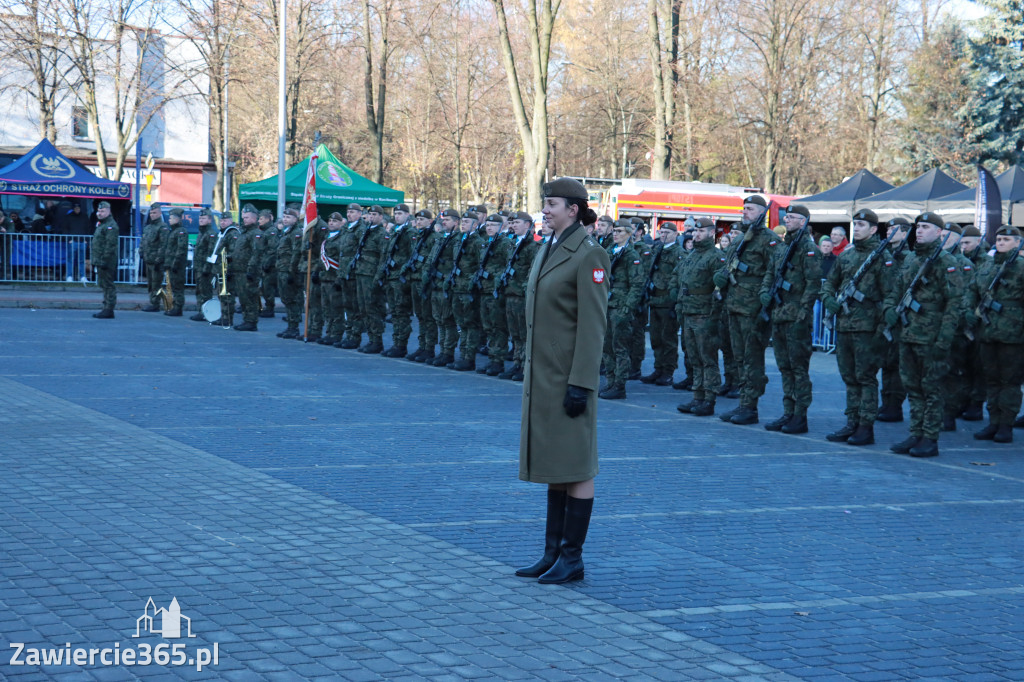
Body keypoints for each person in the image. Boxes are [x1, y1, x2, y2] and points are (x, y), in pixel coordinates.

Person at [517, 177, 609, 585]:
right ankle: (552, 552)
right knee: (557, 463)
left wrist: (582, 383)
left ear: (573, 209)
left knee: (578, 466)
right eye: (545, 203)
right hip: (544, 377)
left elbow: (594, 326)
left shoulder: (589, 255)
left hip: (570, 378)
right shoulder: (549, 247)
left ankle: (572, 558)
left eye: (551, 203)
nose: (546, 210)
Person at [882, 212, 959, 457]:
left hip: (931, 336)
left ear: (939, 232)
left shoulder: (946, 261)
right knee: (913, 388)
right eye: (918, 227)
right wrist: (888, 309)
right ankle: (915, 433)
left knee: (931, 389)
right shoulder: (913, 260)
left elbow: (954, 304)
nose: (920, 231)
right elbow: (897, 290)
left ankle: (929, 438)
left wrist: (943, 340)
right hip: (908, 334)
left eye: (926, 227)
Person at [820, 209, 894, 445]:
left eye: (862, 224)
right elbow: (829, 284)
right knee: (849, 377)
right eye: (856, 224)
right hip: (845, 324)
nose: (858, 228)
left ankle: (865, 426)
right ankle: (852, 421)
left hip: (868, 327)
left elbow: (890, 295)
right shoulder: (846, 256)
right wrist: (828, 299)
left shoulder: (883, 257)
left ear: (873, 229)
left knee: (865, 378)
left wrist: (881, 330)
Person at [713, 196, 781, 425]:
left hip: (753, 309)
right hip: (734, 306)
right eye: (744, 208)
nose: (745, 212)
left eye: (750, 209)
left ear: (762, 212)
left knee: (752, 359)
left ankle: (751, 407)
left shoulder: (770, 241)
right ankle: (743, 402)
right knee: (740, 358)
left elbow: (773, 275)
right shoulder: (741, 239)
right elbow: (728, 264)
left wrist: (765, 304)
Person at [965, 226, 1023, 443]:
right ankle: (994, 422)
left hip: (1013, 335)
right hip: (987, 332)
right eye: (999, 239)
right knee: (991, 380)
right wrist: (970, 312)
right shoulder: (988, 265)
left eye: (1006, 239)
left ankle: (1006, 425)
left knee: (1009, 381)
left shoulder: (1021, 267)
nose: (1001, 243)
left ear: (1017, 243)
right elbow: (972, 290)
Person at [675, 217, 727, 416]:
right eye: (695, 232)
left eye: (701, 232)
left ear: (711, 233)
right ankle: (697, 396)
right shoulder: (693, 254)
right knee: (694, 358)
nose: (696, 235)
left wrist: (714, 316)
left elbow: (720, 288)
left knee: (708, 358)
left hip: (705, 314)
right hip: (688, 312)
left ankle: (709, 399)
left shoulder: (716, 256)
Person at [600, 219, 643, 400]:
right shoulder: (609, 252)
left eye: (619, 231)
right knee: (606, 347)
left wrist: (627, 308)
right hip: (606, 305)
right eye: (614, 231)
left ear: (628, 233)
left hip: (620, 307)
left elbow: (637, 285)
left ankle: (619, 384)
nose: (615, 234)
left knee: (620, 348)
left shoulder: (631, 256)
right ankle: (610, 381)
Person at [640, 221, 683, 386]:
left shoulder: (678, 252)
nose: (663, 235)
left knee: (668, 339)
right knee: (656, 338)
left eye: (667, 232)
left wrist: (675, 300)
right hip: (655, 299)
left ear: (675, 234)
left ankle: (668, 371)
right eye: (661, 232)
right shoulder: (657, 250)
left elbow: (679, 276)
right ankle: (658, 369)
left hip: (668, 301)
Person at [499, 211, 541, 381]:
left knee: (524, 333)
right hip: (510, 293)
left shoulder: (533, 246)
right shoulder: (512, 244)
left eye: (517, 222)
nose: (513, 225)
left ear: (528, 225)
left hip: (522, 295)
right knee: (514, 333)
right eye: (512, 222)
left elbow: (533, 272)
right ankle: (517, 363)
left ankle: (525, 366)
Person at [877, 217, 912, 421]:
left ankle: (895, 405)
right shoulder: (885, 254)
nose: (889, 231)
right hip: (883, 313)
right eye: (888, 228)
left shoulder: (908, 257)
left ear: (905, 232)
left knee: (897, 363)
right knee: (886, 362)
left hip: (899, 316)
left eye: (894, 228)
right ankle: (887, 402)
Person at [958, 226, 991, 421]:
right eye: (961, 243)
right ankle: (964, 401)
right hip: (964, 318)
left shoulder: (987, 263)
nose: (964, 247)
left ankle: (976, 403)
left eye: (967, 243)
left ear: (978, 242)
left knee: (978, 366)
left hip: (980, 321)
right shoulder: (961, 260)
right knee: (964, 364)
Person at [446, 211, 485, 370]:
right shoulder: (459, 240)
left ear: (475, 225)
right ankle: (462, 356)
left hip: (468, 289)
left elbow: (481, 265)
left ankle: (469, 358)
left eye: (467, 222)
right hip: (457, 287)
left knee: (470, 324)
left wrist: (471, 282)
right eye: (462, 221)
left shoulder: (477, 242)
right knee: (461, 324)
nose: (463, 224)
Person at [378, 204, 416, 357]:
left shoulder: (410, 232)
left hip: (400, 279)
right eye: (396, 213)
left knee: (401, 313)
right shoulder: (395, 231)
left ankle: (401, 345)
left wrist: (405, 277)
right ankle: (396, 343)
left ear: (408, 215)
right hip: (391, 277)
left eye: (401, 213)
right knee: (394, 313)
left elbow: (412, 256)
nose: (397, 216)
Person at [477, 214, 513, 375]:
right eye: (487, 224)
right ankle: (492, 358)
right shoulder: (487, 243)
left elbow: (508, 265)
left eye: (493, 225)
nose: (489, 227)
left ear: (501, 226)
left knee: (498, 327)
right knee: (488, 327)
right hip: (484, 290)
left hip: (496, 291)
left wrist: (495, 277)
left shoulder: (505, 243)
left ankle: (498, 361)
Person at [354, 206, 387, 353]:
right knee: (363, 308)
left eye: (375, 214)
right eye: (370, 214)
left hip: (371, 275)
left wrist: (378, 278)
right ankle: (371, 338)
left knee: (372, 308)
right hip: (361, 273)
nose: (371, 217)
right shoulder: (366, 231)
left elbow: (383, 258)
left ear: (381, 217)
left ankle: (377, 340)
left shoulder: (382, 234)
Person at [406, 210, 438, 362]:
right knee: (420, 316)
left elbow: (432, 259)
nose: (419, 221)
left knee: (428, 316)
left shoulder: (433, 238)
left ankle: (429, 348)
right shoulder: (416, 236)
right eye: (417, 219)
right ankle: (422, 345)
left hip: (424, 282)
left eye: (423, 219)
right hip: (414, 279)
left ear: (430, 221)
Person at [335, 203, 366, 348]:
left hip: (353, 272)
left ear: (359, 214)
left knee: (355, 306)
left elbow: (361, 251)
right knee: (347, 305)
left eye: (353, 212)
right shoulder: (346, 228)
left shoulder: (361, 229)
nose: (349, 214)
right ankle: (348, 335)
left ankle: (355, 336)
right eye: (348, 212)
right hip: (344, 271)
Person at [274, 205, 305, 338]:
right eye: (284, 217)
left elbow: (296, 253)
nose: (285, 219)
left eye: (289, 217)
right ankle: (290, 326)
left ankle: (294, 327)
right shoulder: (287, 231)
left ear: (295, 219)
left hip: (290, 271)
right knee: (286, 298)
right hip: (282, 269)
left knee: (293, 299)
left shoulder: (296, 233)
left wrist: (292, 272)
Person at [91, 201, 119, 318]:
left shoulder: (110, 225)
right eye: (99, 211)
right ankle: (106, 307)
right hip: (100, 259)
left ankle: (109, 308)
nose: (100, 213)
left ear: (109, 211)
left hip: (107, 261)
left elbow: (110, 245)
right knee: (104, 285)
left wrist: (104, 260)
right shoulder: (102, 224)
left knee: (108, 285)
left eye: (102, 211)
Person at [161, 208, 190, 316]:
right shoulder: (173, 231)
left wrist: (175, 263)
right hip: (171, 263)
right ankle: (174, 306)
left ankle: (178, 307)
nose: (169, 220)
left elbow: (180, 249)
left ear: (177, 219)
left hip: (177, 264)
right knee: (173, 286)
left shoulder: (181, 231)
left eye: (171, 218)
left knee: (178, 287)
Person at [190, 209, 218, 321]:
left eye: (204, 218)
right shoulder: (201, 233)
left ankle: (206, 312)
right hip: (199, 267)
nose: (201, 220)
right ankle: (200, 310)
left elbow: (211, 252)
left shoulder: (211, 234)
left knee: (205, 291)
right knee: (199, 290)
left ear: (210, 220)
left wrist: (207, 268)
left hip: (205, 268)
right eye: (200, 218)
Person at [141, 203, 169, 312]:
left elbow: (163, 244)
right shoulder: (148, 227)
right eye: (151, 213)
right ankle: (152, 301)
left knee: (156, 283)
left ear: (159, 213)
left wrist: (159, 260)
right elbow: (144, 241)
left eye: (155, 213)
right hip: (148, 259)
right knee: (150, 283)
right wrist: (141, 251)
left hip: (156, 260)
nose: (152, 215)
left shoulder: (163, 227)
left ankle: (155, 303)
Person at [257, 209, 280, 318]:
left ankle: (270, 308)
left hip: (269, 266)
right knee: (263, 287)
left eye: (261, 219)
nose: (259, 221)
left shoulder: (271, 231)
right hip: (263, 264)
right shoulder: (264, 231)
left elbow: (272, 249)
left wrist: (266, 263)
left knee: (267, 287)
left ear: (267, 219)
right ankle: (265, 307)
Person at [64, 203, 92, 283]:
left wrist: (86, 239)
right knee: (70, 260)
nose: (77, 209)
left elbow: (88, 228)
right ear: (73, 208)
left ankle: (82, 277)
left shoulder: (84, 217)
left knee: (82, 260)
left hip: (82, 242)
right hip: (73, 242)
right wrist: (69, 239)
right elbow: (65, 229)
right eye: (76, 208)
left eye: (78, 208)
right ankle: (69, 276)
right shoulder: (69, 217)